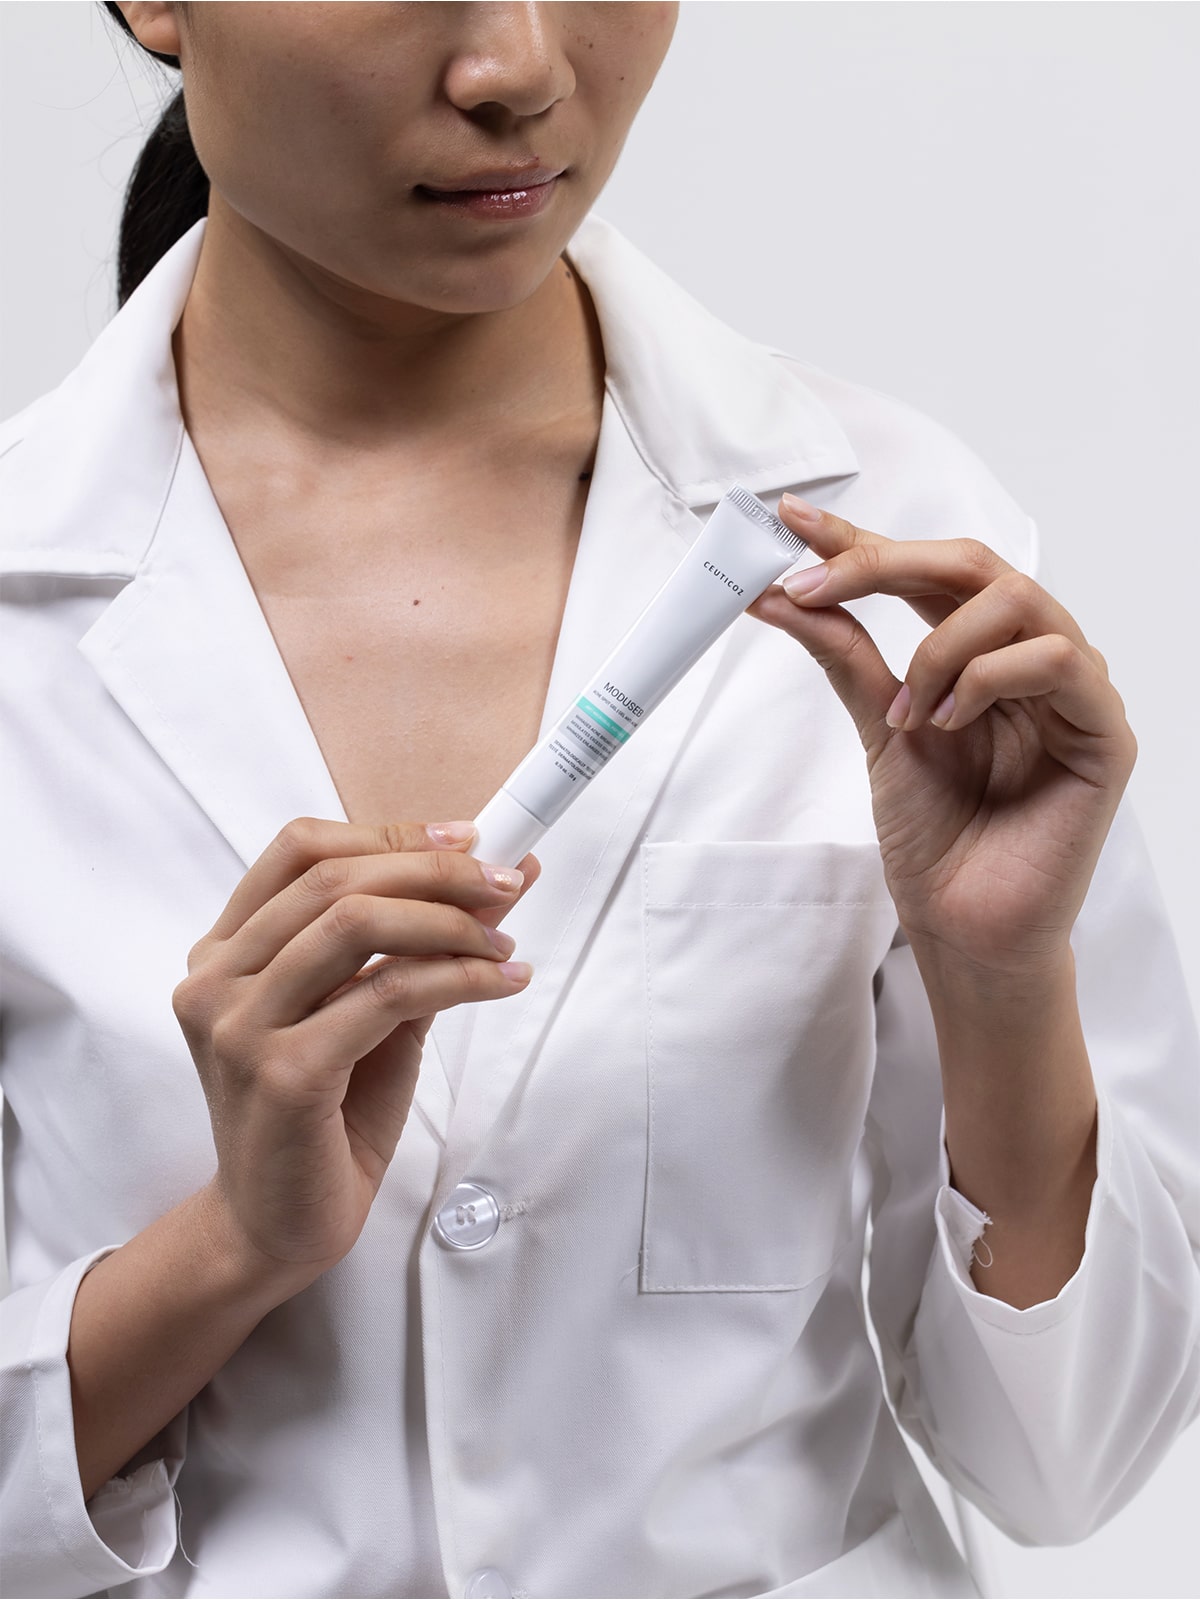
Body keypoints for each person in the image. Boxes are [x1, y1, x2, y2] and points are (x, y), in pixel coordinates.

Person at [1, 4, 1197, 1597]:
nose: (519, 67)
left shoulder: (902, 548)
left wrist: (1001, 981)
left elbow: (1073, 1465)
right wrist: (231, 1253)